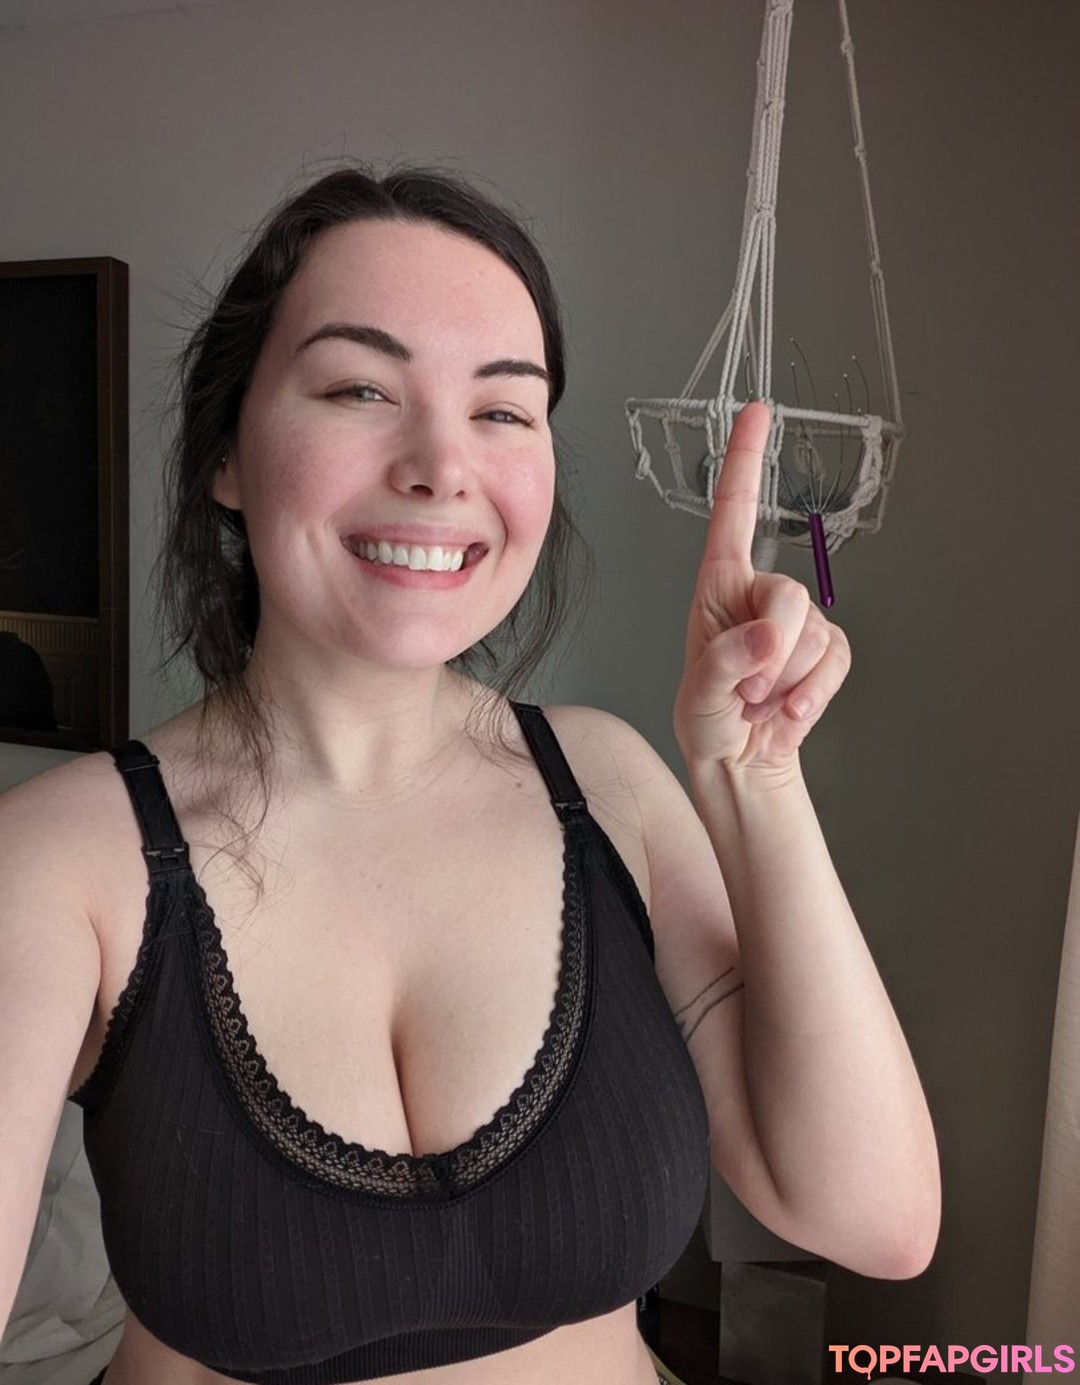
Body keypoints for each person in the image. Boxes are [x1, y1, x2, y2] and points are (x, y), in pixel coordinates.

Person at [0, 165, 939, 1385]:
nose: (443, 466)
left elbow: (874, 1219)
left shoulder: (607, 785)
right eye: (359, 388)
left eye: (504, 409)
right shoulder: (62, 858)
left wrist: (757, 780)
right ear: (225, 450)